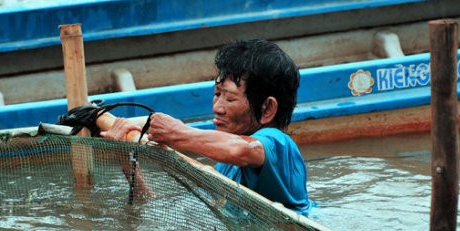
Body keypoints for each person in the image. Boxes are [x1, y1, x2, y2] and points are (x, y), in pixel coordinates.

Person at [100, 39, 312, 215]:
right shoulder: (226, 167)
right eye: (217, 94)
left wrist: (177, 133)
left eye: (229, 98)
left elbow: (242, 149)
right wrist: (127, 159)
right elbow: (151, 206)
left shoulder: (278, 143)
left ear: (267, 109)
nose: (217, 108)